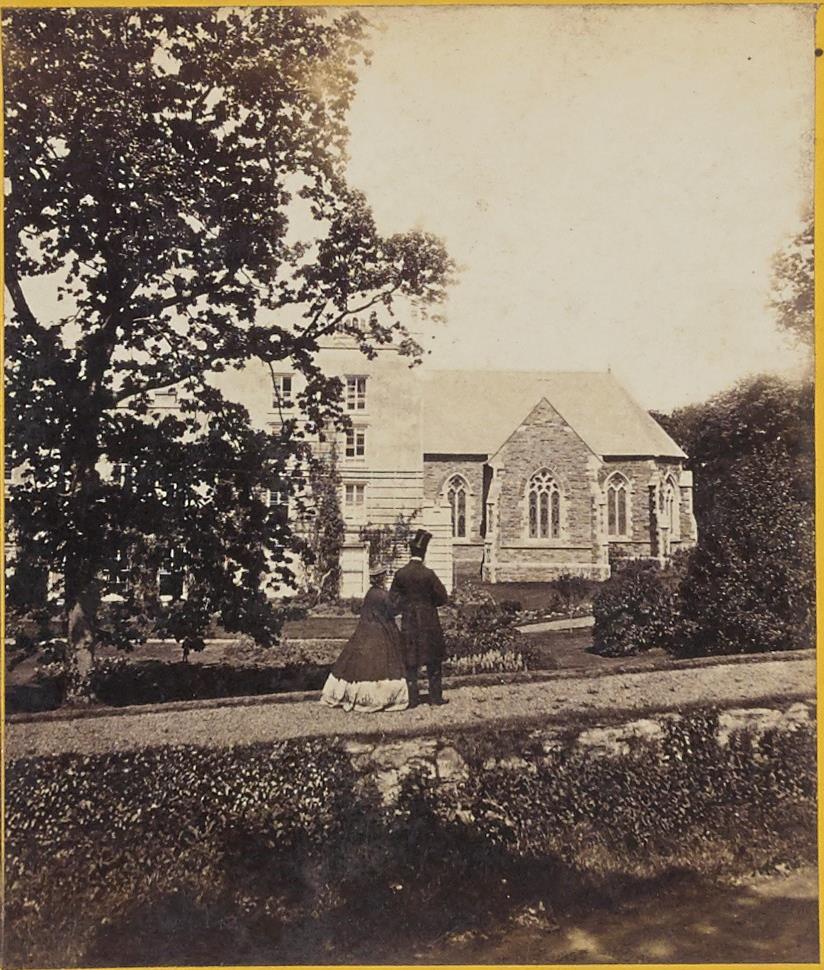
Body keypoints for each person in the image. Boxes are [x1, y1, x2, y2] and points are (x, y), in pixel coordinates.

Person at [320, 564, 409, 713]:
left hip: (366, 630)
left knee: (358, 663)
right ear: (381, 578)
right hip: (380, 632)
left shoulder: (371, 593)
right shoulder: (381, 594)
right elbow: (392, 610)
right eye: (384, 576)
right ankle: (375, 698)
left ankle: (349, 694)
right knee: (380, 664)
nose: (385, 578)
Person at [389, 529, 449, 707]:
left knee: (411, 661)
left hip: (409, 620)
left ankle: (412, 699)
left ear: (411, 552)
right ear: (424, 553)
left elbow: (393, 599)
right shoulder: (428, 574)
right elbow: (443, 597)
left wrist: (404, 607)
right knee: (433, 661)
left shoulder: (401, 574)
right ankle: (435, 698)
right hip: (429, 620)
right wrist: (429, 604)